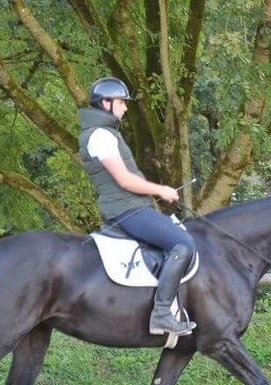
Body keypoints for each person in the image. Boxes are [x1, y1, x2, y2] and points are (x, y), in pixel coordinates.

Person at [78, 77, 197, 336]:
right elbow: (124, 179)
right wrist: (161, 190)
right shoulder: (100, 137)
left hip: (130, 207)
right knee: (184, 244)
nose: (126, 107)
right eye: (121, 102)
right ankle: (162, 313)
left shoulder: (107, 134)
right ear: (106, 103)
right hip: (126, 210)